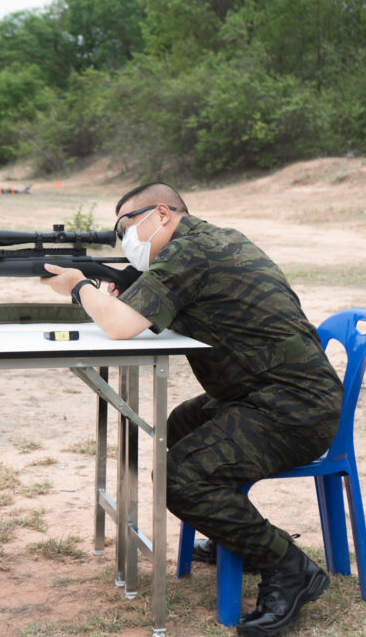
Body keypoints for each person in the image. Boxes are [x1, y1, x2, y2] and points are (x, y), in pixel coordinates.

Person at [41, 182, 342, 636]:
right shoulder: (210, 241)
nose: (125, 240)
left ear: (162, 213)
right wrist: (124, 288)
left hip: (294, 409)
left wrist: (78, 285)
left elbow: (120, 326)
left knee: (180, 478)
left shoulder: (188, 254)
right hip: (270, 391)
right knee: (179, 427)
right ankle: (233, 534)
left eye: (126, 227)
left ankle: (288, 566)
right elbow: (159, 308)